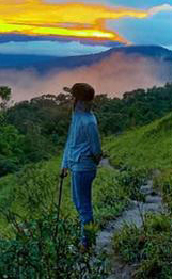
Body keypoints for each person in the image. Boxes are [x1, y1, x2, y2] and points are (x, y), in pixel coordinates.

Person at [60, 82, 103, 249]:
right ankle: (87, 240)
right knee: (80, 205)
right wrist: (65, 163)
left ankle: (87, 244)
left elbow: (96, 148)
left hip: (83, 168)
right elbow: (71, 140)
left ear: (78, 99)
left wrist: (94, 161)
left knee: (84, 207)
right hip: (77, 166)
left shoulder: (88, 120)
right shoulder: (77, 116)